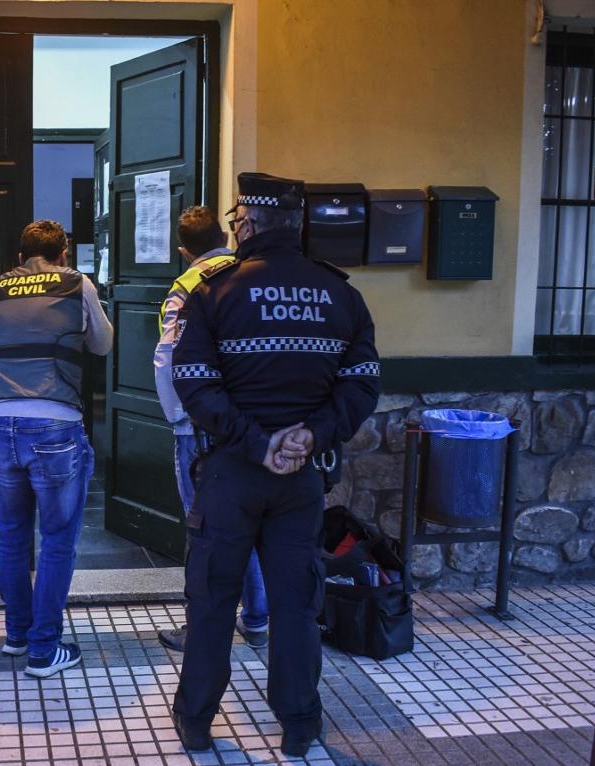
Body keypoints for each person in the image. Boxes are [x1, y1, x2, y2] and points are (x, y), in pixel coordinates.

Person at [169, 173, 380, 756]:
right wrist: (309, 436)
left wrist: (256, 443)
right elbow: (363, 386)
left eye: (237, 218)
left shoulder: (213, 291)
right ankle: (298, 726)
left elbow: (193, 384)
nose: (235, 226)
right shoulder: (340, 293)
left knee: (212, 600)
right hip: (302, 481)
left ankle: (196, 722)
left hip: (233, 474)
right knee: (296, 605)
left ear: (251, 223)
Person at [0, 219, 114, 678]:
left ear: (20, 257)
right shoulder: (77, 283)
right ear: (63, 254)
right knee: (57, 539)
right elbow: (103, 344)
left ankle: (18, 634)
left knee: (11, 535)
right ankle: (44, 648)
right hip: (54, 420)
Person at [153, 206, 269, 653]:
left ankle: (200, 628)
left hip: (200, 427)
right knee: (253, 522)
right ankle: (257, 617)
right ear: (225, 235)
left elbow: (169, 356)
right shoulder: (251, 273)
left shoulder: (187, 286)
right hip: (249, 423)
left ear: (184, 251)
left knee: (204, 532)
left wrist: (179, 419)